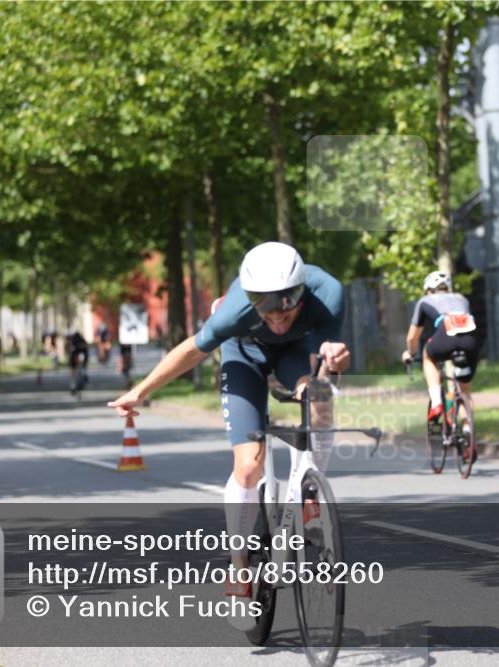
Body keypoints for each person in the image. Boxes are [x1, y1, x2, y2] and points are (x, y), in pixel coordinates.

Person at [108, 242, 350, 622]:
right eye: (265, 304)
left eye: (288, 301)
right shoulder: (235, 310)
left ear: (302, 288)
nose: (278, 313)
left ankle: (311, 486)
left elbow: (328, 359)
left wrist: (333, 366)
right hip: (245, 357)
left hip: (295, 355)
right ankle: (238, 562)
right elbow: (190, 352)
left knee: (320, 394)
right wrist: (141, 391)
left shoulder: (329, 293)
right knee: (249, 465)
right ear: (250, 298)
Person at [401, 271, 479, 422]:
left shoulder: (425, 300)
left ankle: (436, 402)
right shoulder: (461, 298)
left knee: (428, 356)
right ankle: (468, 432)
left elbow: (412, 337)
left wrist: (410, 353)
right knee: (464, 390)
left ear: (428, 289)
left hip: (445, 333)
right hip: (470, 339)